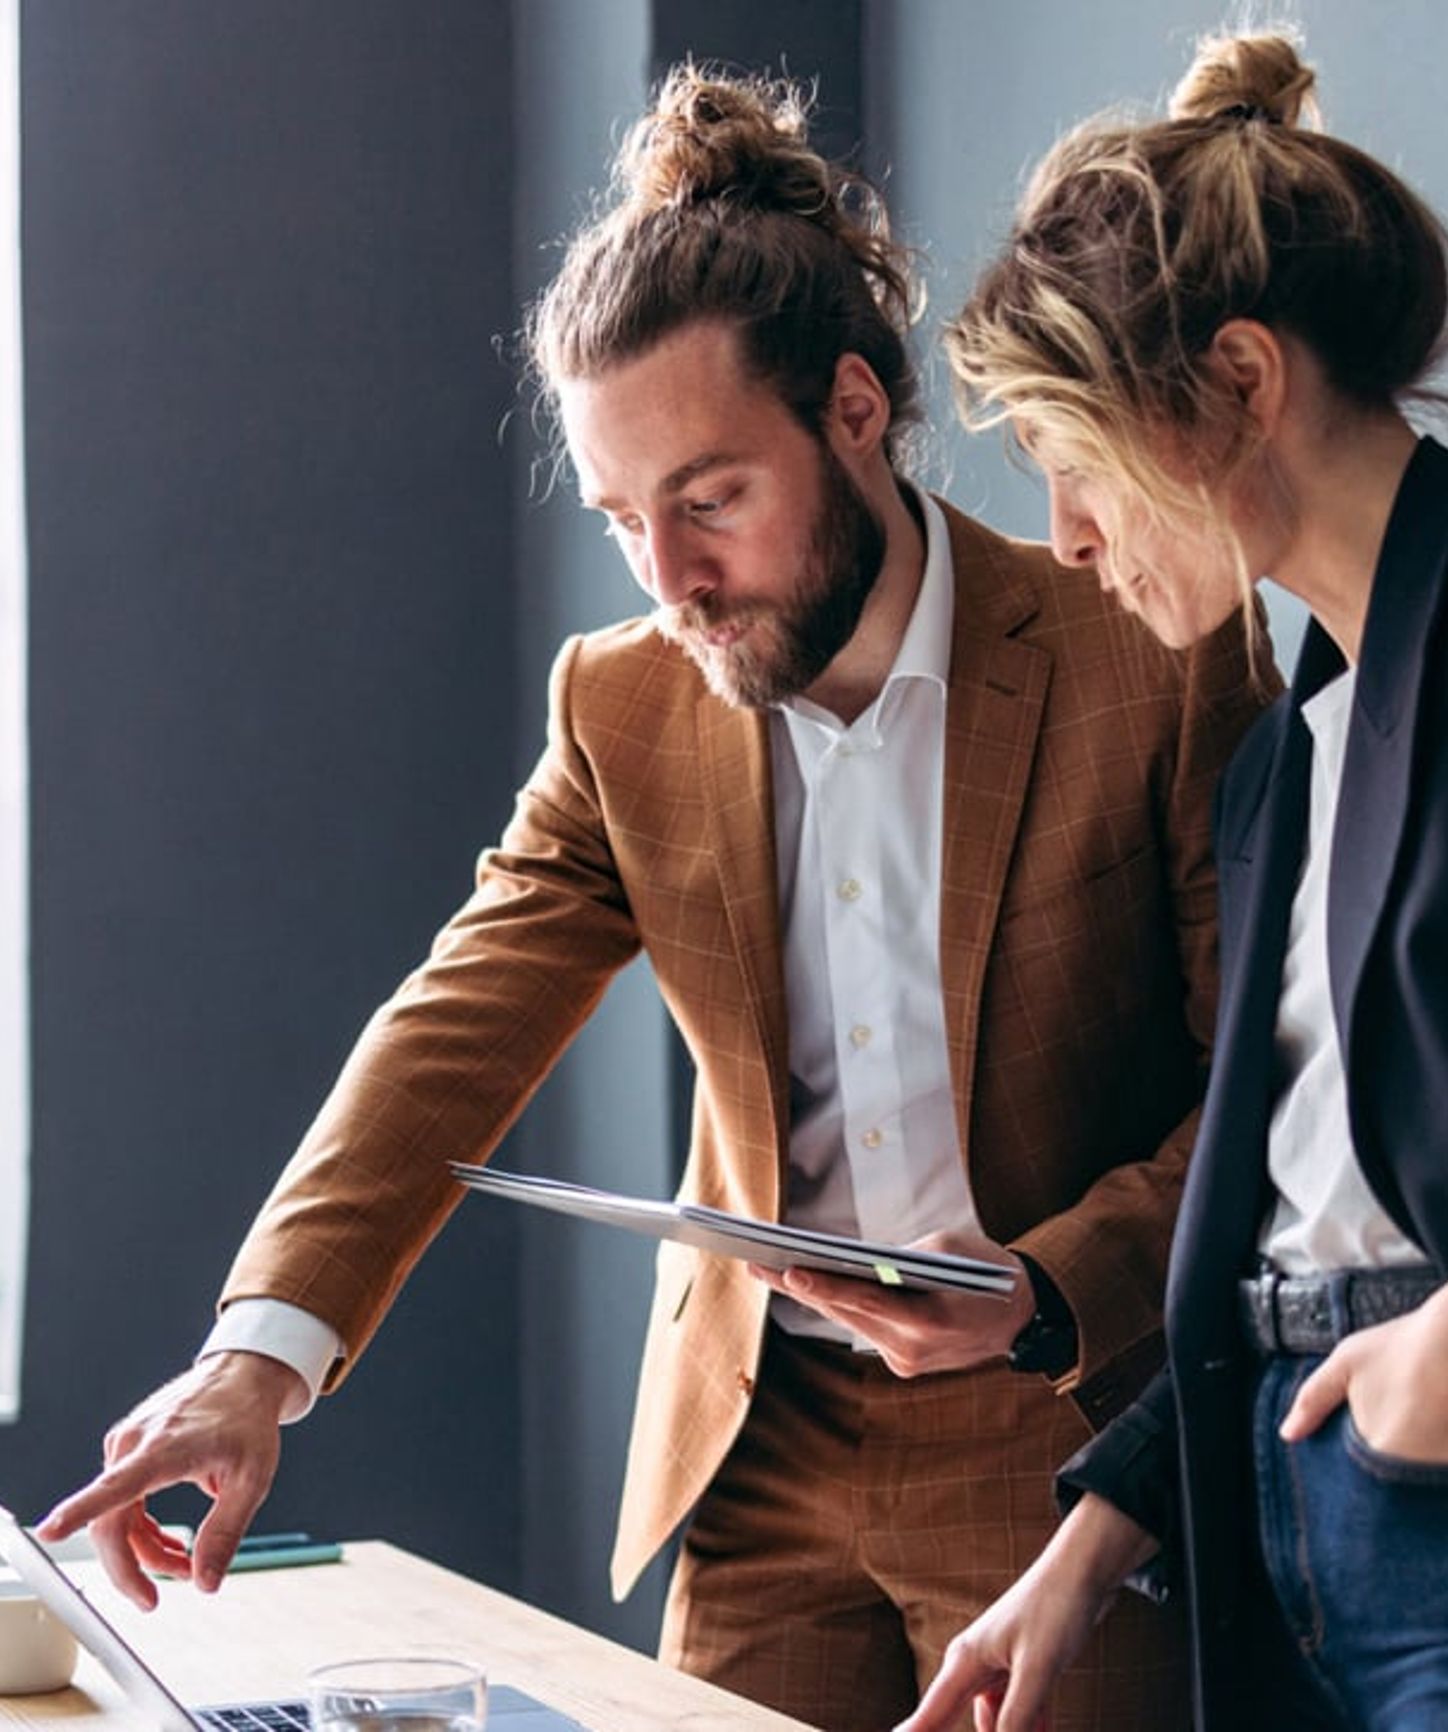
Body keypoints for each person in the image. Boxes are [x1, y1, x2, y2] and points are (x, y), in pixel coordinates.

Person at [38, 67, 1267, 1732]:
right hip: (762, 1448)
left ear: (853, 411)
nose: (674, 579)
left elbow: (1259, 1106)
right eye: (626, 519)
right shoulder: (622, 703)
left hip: (1062, 1430)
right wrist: (253, 1362)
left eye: (711, 499)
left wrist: (1044, 1289)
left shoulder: (1152, 654)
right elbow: (455, 1028)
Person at [897, 28, 1448, 1732]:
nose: (1065, 534)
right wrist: (1090, 1546)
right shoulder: (1282, 761)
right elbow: (1279, 1215)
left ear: (1243, 380)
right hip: (1284, 1509)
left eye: (1070, 454)